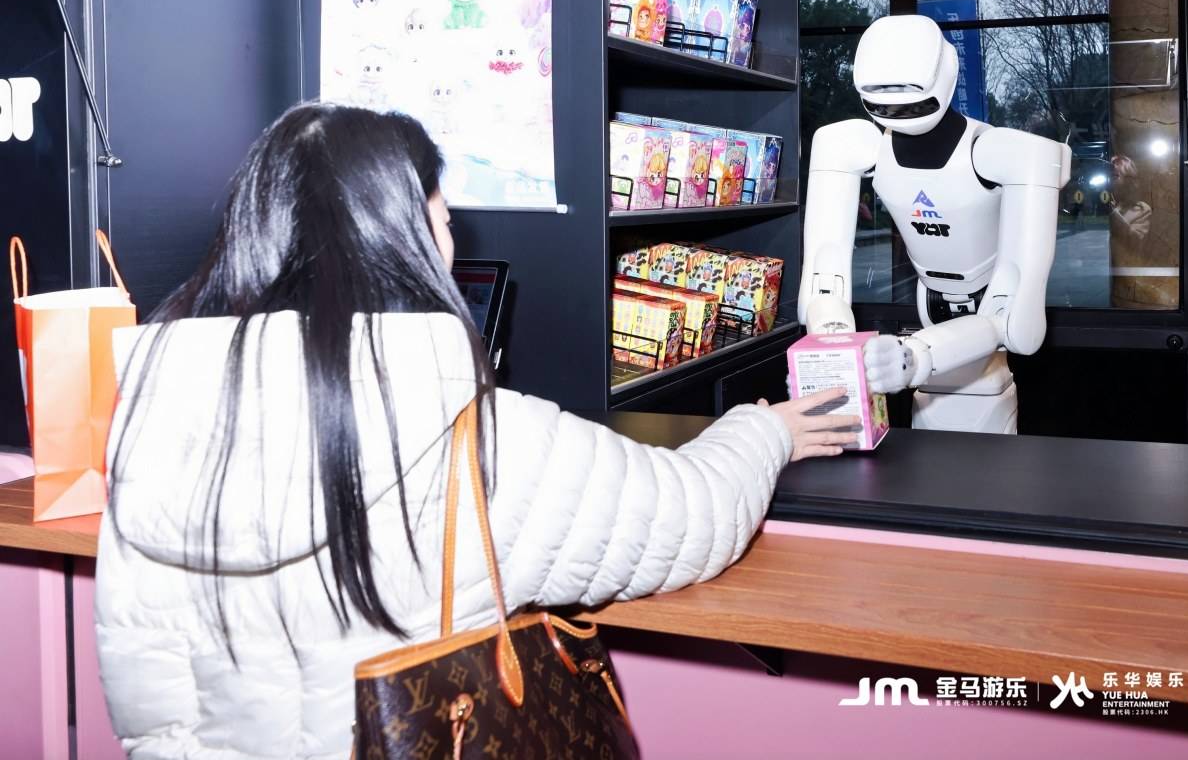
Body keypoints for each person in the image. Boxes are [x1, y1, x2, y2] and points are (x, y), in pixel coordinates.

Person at [93, 103, 856, 758]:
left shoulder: (152, 420)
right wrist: (767, 432)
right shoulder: (471, 436)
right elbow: (690, 520)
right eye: (444, 217)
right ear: (411, 238)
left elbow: (147, 686)